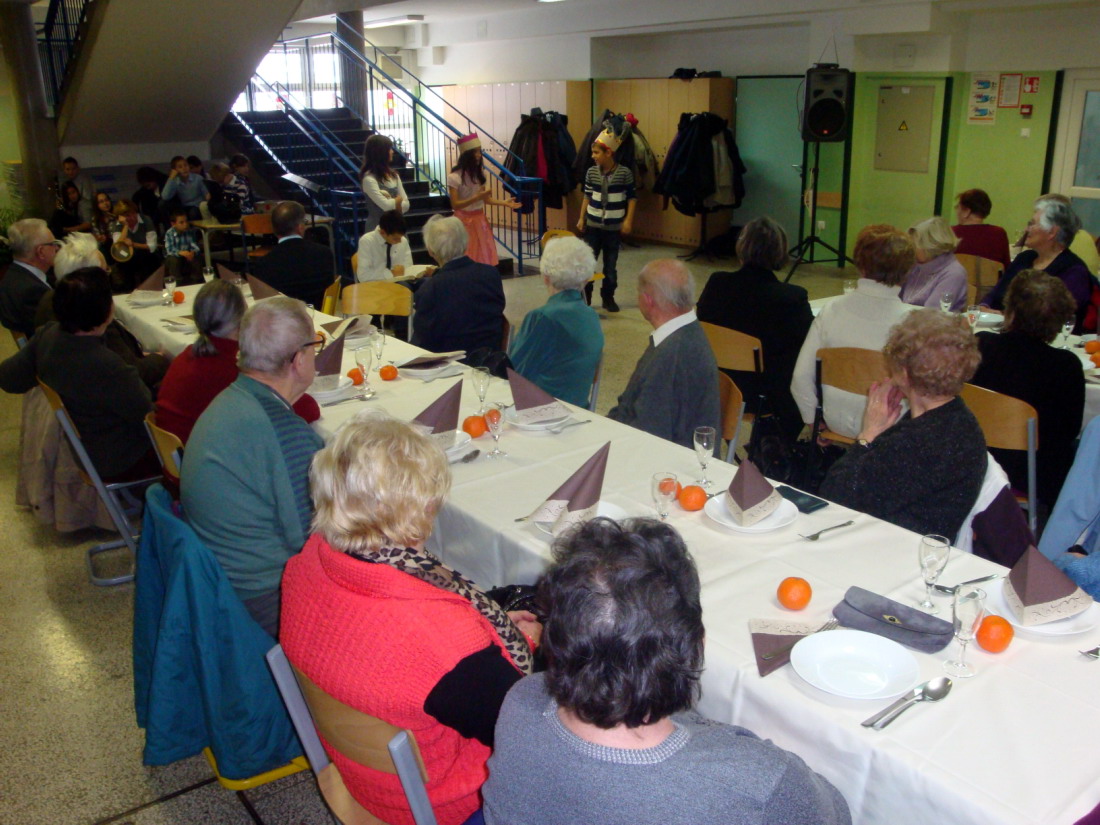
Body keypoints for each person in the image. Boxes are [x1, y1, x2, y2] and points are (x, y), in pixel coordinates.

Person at [482, 517, 852, 825]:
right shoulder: (757, 782)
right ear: (694, 647)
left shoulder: (522, 699)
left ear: (557, 639)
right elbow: (835, 813)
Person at [281, 412, 539, 825]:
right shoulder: (440, 642)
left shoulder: (308, 561)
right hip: (437, 801)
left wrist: (490, 629)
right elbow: (527, 735)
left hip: (358, 776)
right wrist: (526, 643)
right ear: (421, 506)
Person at [180, 297, 324, 636]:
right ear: (298, 360)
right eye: (315, 346)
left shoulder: (231, 400)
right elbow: (316, 540)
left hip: (220, 579)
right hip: (260, 596)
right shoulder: (284, 434)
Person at [820, 309, 986, 540]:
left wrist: (868, 434)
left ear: (905, 375)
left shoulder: (918, 441)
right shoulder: (962, 421)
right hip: (920, 540)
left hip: (892, 546)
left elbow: (835, 496)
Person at [0, 266, 156, 481]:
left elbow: (8, 378)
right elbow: (150, 419)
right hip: (120, 458)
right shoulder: (107, 366)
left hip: (84, 449)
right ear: (107, 311)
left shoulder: (49, 335)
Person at [970, 270, 1083, 512]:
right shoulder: (1066, 366)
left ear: (1010, 310)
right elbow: (1070, 430)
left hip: (976, 457)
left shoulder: (981, 344)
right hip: (1032, 474)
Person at [791, 224, 917, 439]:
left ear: (860, 266)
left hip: (835, 421)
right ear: (906, 272)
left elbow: (800, 377)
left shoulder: (830, 311)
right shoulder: (914, 323)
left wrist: (813, 422)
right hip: (889, 427)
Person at [155, 280, 319, 443]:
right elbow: (304, 410)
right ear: (244, 322)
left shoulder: (187, 356)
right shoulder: (234, 370)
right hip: (202, 453)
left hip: (178, 450)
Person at [696, 216, 812, 440]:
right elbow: (807, 342)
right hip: (763, 394)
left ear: (742, 247)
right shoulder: (791, 298)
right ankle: (775, 447)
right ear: (780, 252)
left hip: (718, 383)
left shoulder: (717, 283)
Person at [608, 259, 720, 448]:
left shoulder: (672, 354)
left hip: (662, 457)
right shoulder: (683, 334)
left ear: (647, 300)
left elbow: (648, 435)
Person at [46, 232, 170, 390]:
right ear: (89, 280)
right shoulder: (96, 322)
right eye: (105, 271)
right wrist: (160, 359)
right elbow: (135, 374)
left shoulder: (53, 305)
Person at [508, 236, 604, 407]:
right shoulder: (592, 317)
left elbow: (513, 375)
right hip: (579, 410)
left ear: (546, 277)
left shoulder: (542, 318)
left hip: (540, 411)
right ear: (585, 280)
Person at [982, 197, 1093, 331]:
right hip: (1002, 331)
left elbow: (1053, 318)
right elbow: (995, 293)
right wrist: (984, 307)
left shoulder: (1073, 271)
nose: (1026, 229)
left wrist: (1006, 317)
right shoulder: (1024, 258)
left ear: (1052, 232)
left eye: (1032, 224)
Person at [412, 215, 505, 354]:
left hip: (449, 361)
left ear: (431, 251)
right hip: (489, 357)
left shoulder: (431, 288)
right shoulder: (491, 274)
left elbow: (423, 340)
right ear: (466, 243)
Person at [576, 127, 636, 312]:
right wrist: (581, 217)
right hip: (593, 227)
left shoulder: (624, 173)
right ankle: (585, 298)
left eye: (596, 152)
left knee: (610, 267)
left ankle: (608, 297)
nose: (593, 156)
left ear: (608, 153)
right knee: (588, 265)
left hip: (612, 229)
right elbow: (587, 195)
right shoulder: (591, 172)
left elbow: (632, 198)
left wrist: (628, 220)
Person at [447, 133, 519, 267]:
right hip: (462, 222)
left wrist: (504, 203)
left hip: (479, 220)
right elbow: (455, 205)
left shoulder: (480, 175)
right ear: (467, 155)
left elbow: (486, 199)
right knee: (465, 254)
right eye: (475, 152)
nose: (479, 155)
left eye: (479, 151)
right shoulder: (454, 177)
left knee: (483, 255)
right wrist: (477, 197)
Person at [251, 200, 335, 307]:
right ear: (300, 227)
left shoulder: (263, 265)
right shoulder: (324, 253)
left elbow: (264, 305)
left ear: (274, 230)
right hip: (319, 313)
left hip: (284, 315)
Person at [0, 218, 58, 338]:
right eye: (53, 244)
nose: (57, 248)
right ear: (41, 251)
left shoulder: (12, 275)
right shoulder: (33, 291)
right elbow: (54, 334)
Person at [899, 216, 968, 311]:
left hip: (930, 320)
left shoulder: (954, 274)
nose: (910, 249)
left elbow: (931, 313)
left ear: (931, 247)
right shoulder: (915, 265)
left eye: (914, 245)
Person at [951, 188, 1011, 269]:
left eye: (957, 207)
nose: (957, 211)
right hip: (990, 277)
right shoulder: (999, 233)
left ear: (966, 211)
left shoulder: (950, 233)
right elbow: (1007, 268)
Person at [360, 134, 409, 232]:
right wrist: (398, 200)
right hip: (377, 229)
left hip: (396, 227)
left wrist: (393, 202)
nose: (392, 151)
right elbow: (385, 206)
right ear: (380, 152)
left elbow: (407, 204)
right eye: (389, 149)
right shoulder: (369, 179)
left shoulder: (394, 175)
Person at [112, 198, 161, 291]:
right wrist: (125, 226)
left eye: (133, 213)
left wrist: (133, 244)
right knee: (123, 264)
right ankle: (128, 291)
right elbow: (118, 247)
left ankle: (149, 290)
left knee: (148, 259)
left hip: (145, 253)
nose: (132, 217)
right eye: (127, 215)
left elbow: (152, 246)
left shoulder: (145, 220)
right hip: (129, 257)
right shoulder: (118, 225)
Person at [356, 209, 413, 282]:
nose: (400, 241)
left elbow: (408, 266)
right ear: (382, 232)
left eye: (401, 237)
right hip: (377, 284)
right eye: (395, 239)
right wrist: (391, 273)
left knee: (424, 282)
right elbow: (363, 276)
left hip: (402, 280)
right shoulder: (367, 241)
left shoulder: (403, 240)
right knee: (404, 286)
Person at [160, 154, 210, 221]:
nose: (184, 168)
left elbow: (206, 194)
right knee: (162, 204)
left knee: (193, 212)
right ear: (175, 170)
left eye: (186, 165)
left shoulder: (198, 178)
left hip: (197, 206)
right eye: (180, 167)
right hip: (184, 206)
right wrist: (171, 178)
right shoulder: (175, 181)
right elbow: (165, 196)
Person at [163, 208, 201, 285]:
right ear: (173, 224)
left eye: (186, 221)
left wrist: (192, 252)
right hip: (174, 256)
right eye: (181, 222)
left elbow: (194, 245)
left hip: (186, 255)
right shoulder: (169, 233)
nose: (185, 224)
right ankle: (177, 283)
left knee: (196, 257)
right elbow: (169, 250)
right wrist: (180, 252)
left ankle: (196, 281)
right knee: (173, 259)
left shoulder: (189, 231)